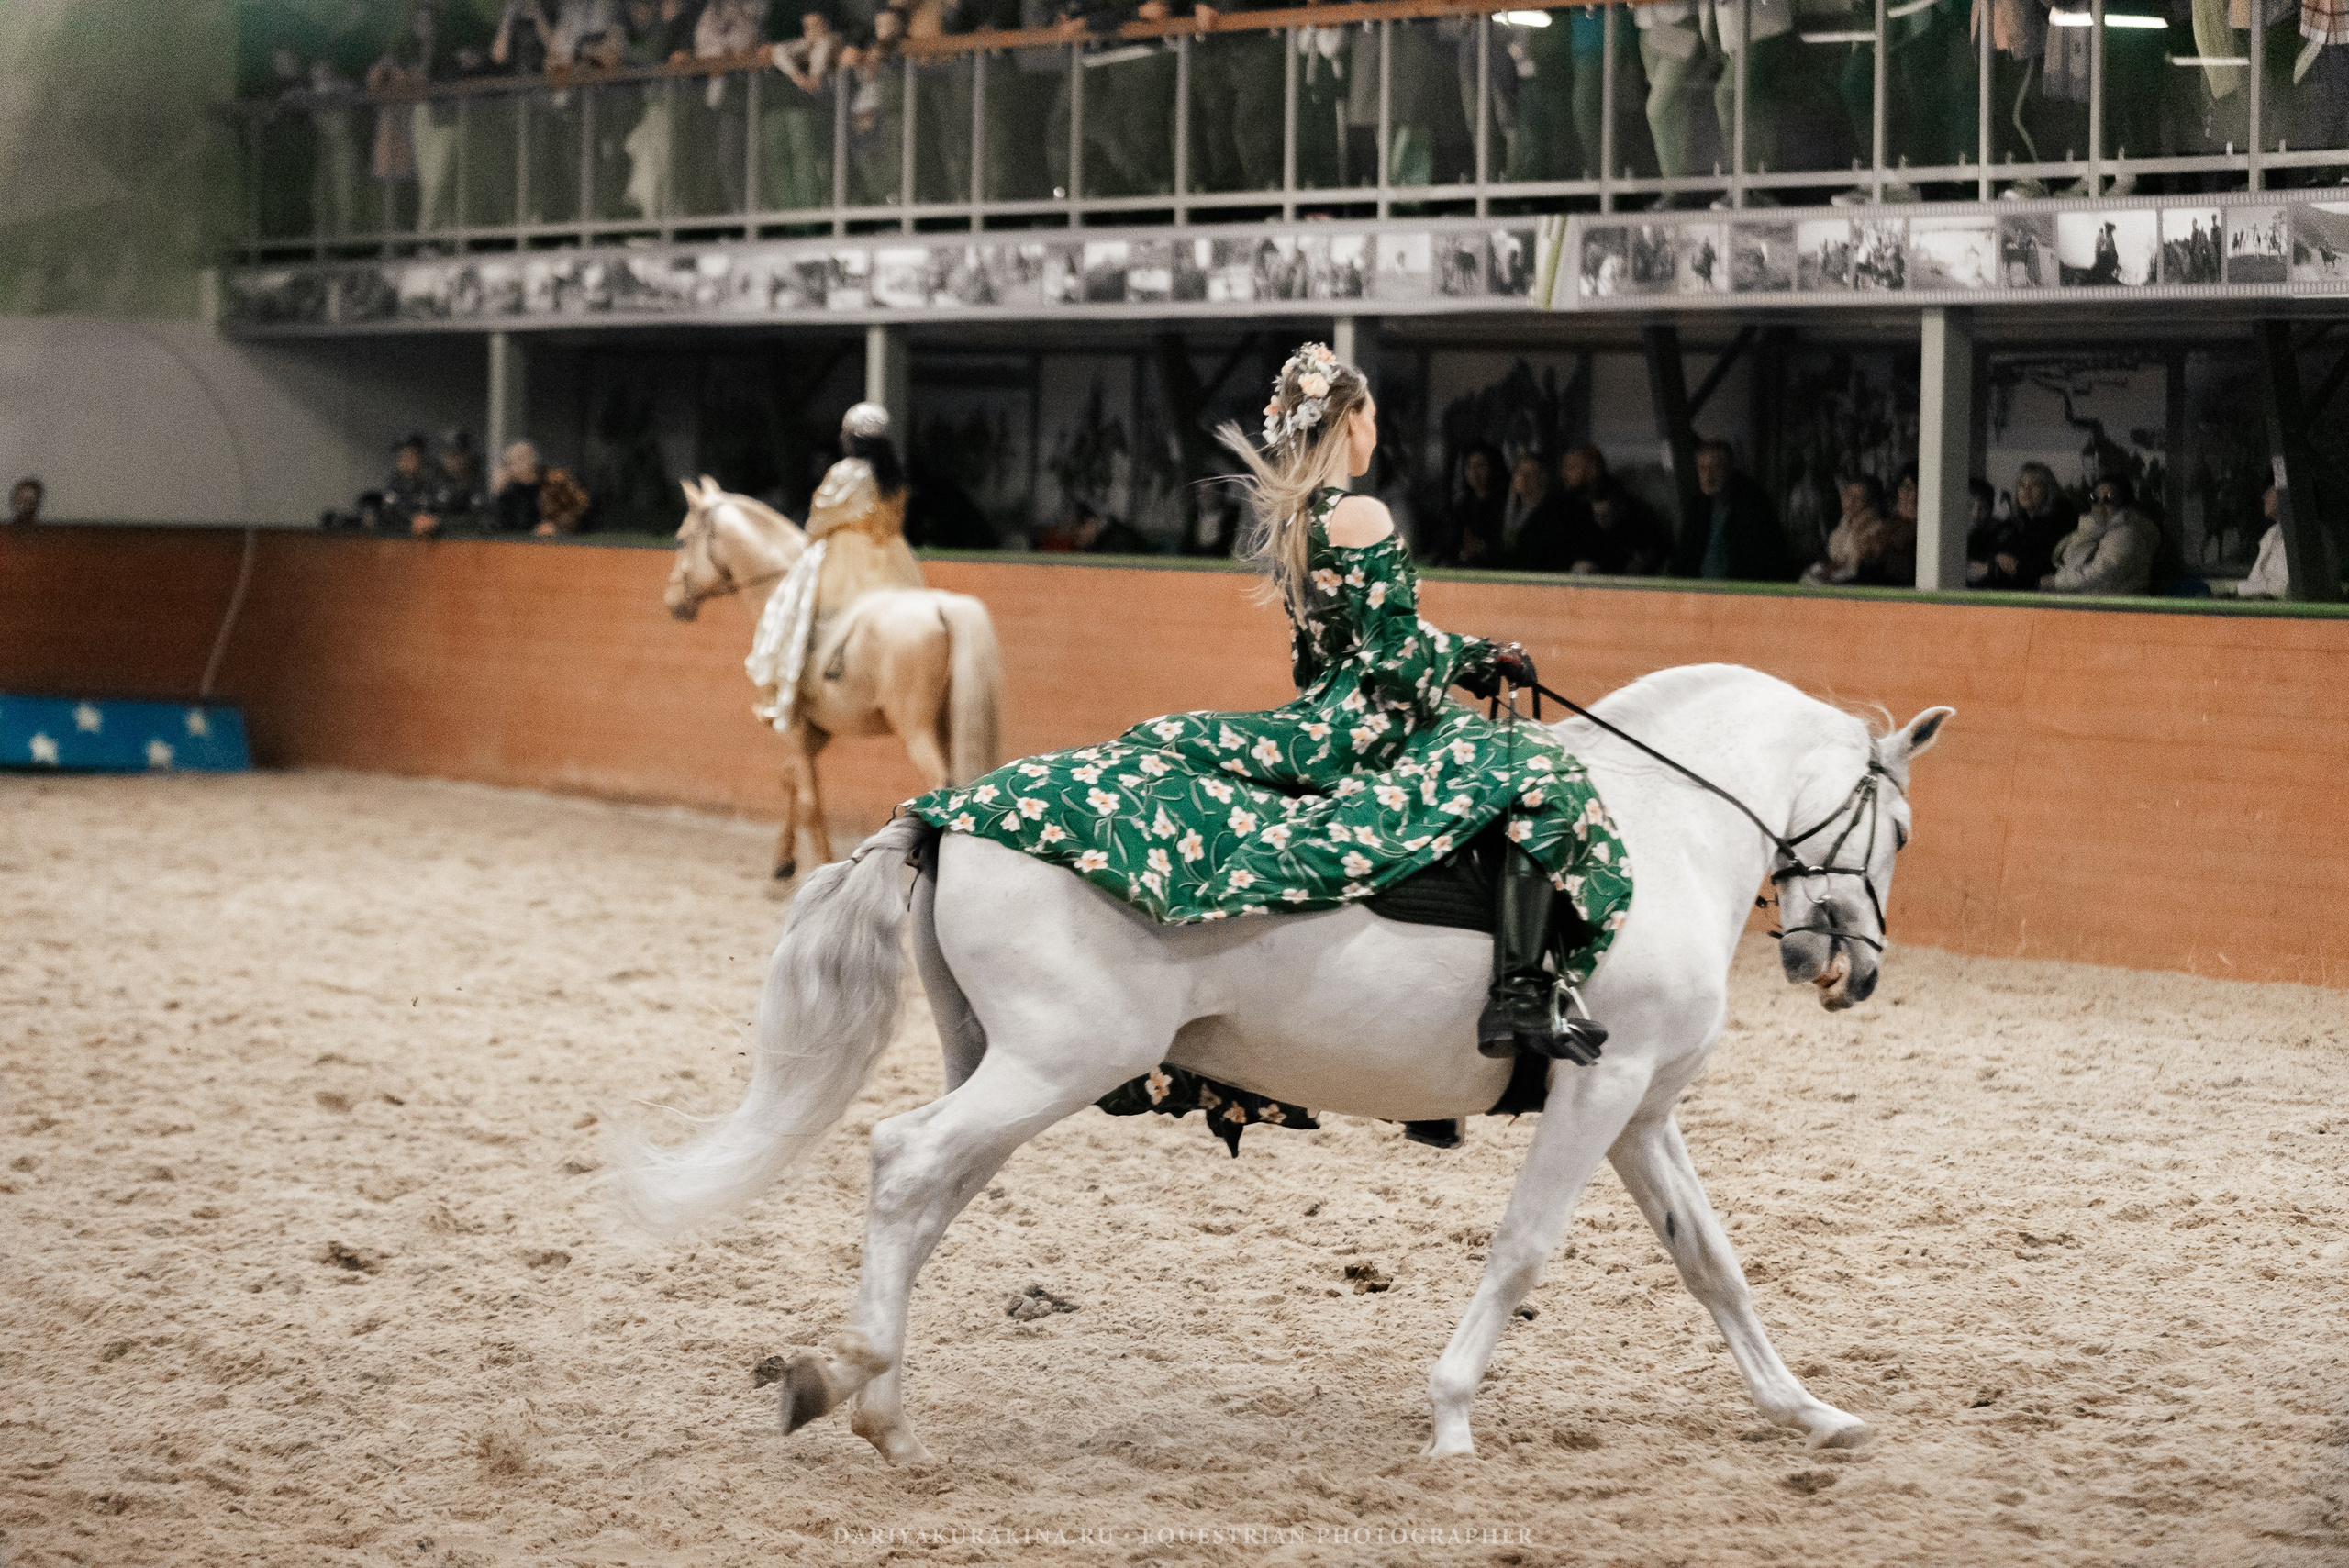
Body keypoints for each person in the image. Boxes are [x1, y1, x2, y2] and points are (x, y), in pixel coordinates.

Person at [903, 341, 1632, 1070]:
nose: (1377, 429)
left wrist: (1462, 654)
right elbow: (1400, 664)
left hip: (1320, 713)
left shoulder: (1297, 519)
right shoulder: (1363, 515)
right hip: (1370, 727)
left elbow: (1321, 656)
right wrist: (1476, 657)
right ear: (1349, 422)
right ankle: (1521, 991)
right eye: (1372, 414)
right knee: (1538, 767)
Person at [1678, 439, 1793, 582]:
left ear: (1729, 468)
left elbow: (1764, 562)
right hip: (1698, 594)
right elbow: (1684, 557)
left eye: (1715, 468)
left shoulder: (1753, 504)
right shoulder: (1697, 506)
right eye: (1702, 468)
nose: (1708, 477)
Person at [2042, 474, 2158, 596]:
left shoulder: (2127, 535)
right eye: (2094, 497)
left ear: (2123, 503)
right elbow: (2068, 562)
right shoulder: (2091, 531)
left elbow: (2101, 575)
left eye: (2108, 499)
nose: (2100, 504)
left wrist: (2056, 581)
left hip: (2117, 609)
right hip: (2092, 605)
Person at [1968, 462, 2068, 590]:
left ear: (2047, 490)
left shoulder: (2056, 525)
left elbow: (2039, 570)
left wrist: (1992, 569)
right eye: (2022, 485)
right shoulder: (2013, 523)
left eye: (2035, 485)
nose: (2026, 490)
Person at [1799, 473, 1899, 586]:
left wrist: (1828, 577)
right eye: (1848, 496)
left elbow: (1857, 571)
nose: (1850, 502)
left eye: (1858, 498)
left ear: (1870, 503)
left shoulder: (1878, 530)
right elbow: (1833, 561)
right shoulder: (1843, 527)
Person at [1567, 480, 1675, 576]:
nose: (1600, 520)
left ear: (1619, 510)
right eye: (1597, 515)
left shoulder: (1640, 528)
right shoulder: (1589, 530)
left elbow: (1660, 555)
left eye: (1606, 516)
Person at [487, 439, 592, 537]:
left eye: (522, 457)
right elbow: (503, 525)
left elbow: (580, 509)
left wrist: (557, 527)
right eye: (511, 461)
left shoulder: (555, 479)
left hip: (562, 544)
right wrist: (497, 493)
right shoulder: (510, 489)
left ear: (533, 458)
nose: (519, 464)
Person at [1435, 442, 1506, 567]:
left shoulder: (1506, 507)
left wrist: (1483, 548)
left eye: (1480, 466)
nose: (1474, 472)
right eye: (1469, 466)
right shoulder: (1462, 507)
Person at [2232, 484, 2291, 600]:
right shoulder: (2272, 533)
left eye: (2270, 490)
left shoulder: (2301, 537)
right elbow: (2255, 577)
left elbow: (2283, 588)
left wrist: (2244, 589)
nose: (2264, 497)